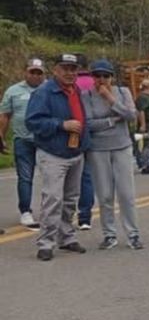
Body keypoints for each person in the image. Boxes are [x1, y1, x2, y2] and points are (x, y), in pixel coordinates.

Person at [23, 53, 91, 261]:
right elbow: (32, 122)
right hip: (53, 153)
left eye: (73, 69)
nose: (70, 73)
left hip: (75, 152)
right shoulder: (44, 92)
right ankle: (46, 243)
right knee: (53, 199)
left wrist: (85, 143)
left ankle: (66, 237)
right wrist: (61, 124)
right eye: (65, 69)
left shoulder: (76, 90)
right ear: (55, 70)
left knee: (70, 199)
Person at [80, 59, 143, 250]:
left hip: (122, 146)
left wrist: (110, 99)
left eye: (105, 76)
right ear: (92, 78)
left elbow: (131, 115)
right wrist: (112, 121)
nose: (101, 80)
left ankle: (133, 234)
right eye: (97, 76)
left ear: (112, 78)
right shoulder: (86, 95)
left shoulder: (123, 92)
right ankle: (109, 234)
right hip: (98, 149)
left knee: (126, 194)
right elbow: (88, 123)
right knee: (105, 194)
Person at [0, 58, 47, 228]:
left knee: (51, 177)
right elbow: (5, 115)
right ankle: (25, 211)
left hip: (46, 141)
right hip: (23, 140)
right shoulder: (13, 91)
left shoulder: (50, 89)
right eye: (32, 72)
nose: (35, 76)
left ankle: (50, 210)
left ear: (44, 74)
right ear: (25, 72)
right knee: (25, 177)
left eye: (39, 73)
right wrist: (1, 136)